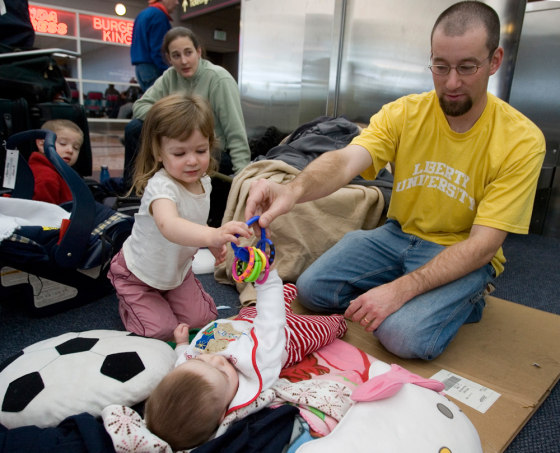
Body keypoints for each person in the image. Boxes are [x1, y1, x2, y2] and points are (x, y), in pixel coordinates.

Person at [244, 1, 546, 361]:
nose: (451, 82)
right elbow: (344, 162)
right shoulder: (404, 113)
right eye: (440, 66)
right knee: (312, 291)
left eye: (467, 67)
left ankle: (469, 296)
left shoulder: (522, 140)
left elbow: (483, 245)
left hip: (460, 249)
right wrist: (292, 190)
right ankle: (422, 292)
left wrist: (400, 291)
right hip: (397, 235)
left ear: (494, 61)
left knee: (402, 336)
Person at [144, 268, 348, 450]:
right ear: (225, 412)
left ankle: (285, 292)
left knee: (270, 300)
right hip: (287, 335)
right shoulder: (257, 367)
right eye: (223, 373)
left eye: (201, 360)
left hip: (243, 323)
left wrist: (181, 345)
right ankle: (338, 322)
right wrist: (267, 281)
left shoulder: (190, 371)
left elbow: (183, 359)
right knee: (323, 327)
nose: (217, 360)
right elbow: (272, 322)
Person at [107, 93, 252, 341]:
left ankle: (163, 297)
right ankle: (129, 300)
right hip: (137, 275)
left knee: (202, 320)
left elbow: (195, 220)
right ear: (159, 153)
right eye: (179, 153)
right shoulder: (161, 186)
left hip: (175, 272)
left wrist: (212, 243)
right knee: (161, 331)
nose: (192, 161)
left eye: (200, 150)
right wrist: (214, 233)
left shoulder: (204, 182)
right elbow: (170, 225)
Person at [123, 26, 250, 188]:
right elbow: (140, 106)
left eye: (188, 53)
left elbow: (236, 132)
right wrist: (171, 119)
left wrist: (243, 178)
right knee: (134, 128)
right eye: (176, 55)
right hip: (179, 146)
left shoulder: (219, 79)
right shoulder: (169, 77)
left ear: (198, 52)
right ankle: (134, 191)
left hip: (210, 150)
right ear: (169, 58)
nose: (183, 61)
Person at [29, 119, 84, 205]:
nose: (70, 150)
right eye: (63, 143)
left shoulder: (58, 171)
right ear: (42, 144)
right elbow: (43, 213)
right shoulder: (46, 177)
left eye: (76, 148)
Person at [130, 0, 178, 92]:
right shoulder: (159, 16)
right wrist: (169, 72)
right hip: (153, 68)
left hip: (141, 69)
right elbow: (159, 50)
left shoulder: (142, 14)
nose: (177, 3)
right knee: (162, 103)